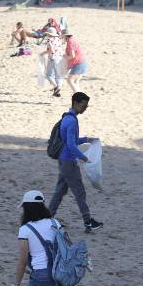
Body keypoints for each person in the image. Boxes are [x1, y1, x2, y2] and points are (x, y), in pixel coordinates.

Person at [48, 92, 104, 233]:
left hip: (63, 160)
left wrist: (86, 139)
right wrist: (84, 158)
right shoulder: (72, 121)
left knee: (59, 191)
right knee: (80, 192)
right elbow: (72, 146)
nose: (85, 108)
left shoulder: (67, 118)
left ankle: (47, 220)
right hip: (69, 162)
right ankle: (88, 221)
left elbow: (69, 141)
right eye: (83, 105)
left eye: (86, 106)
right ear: (75, 103)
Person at [62, 29, 87, 93]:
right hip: (82, 62)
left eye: (62, 36)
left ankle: (80, 99)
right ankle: (82, 99)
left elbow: (72, 56)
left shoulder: (70, 41)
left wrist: (65, 57)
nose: (62, 38)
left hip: (78, 63)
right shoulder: (73, 39)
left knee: (70, 81)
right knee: (75, 82)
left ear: (65, 36)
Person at [41, 27, 65, 97]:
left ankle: (55, 87)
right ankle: (57, 91)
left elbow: (52, 50)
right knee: (58, 75)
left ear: (48, 34)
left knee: (49, 75)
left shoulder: (49, 40)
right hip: (60, 58)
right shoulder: (58, 39)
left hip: (53, 58)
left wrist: (44, 53)